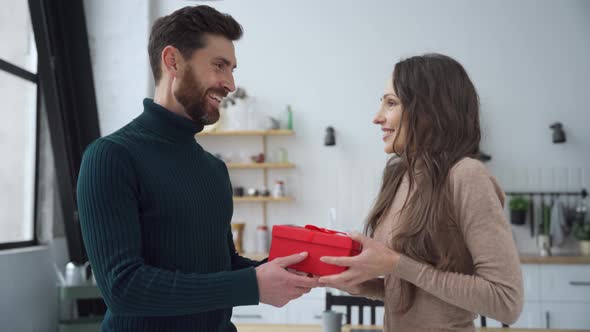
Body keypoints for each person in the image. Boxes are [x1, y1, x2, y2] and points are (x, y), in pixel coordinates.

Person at [77, 6, 317, 332]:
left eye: (232, 70)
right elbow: (123, 288)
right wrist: (252, 285)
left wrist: (288, 270)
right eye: (220, 66)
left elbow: (222, 265)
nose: (230, 84)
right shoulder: (110, 157)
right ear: (172, 61)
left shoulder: (213, 169)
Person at [318, 54, 523, 331]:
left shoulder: (466, 176)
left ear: (428, 111)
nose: (377, 117)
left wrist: (396, 264)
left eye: (391, 103)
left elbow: (506, 301)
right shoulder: (399, 175)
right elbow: (420, 291)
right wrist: (367, 286)